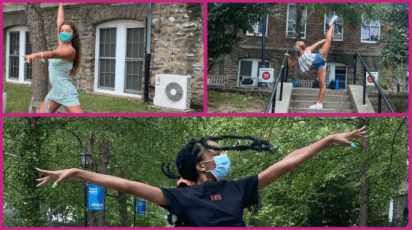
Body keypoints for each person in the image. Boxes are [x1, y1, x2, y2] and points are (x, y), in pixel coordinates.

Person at [36, 127, 367, 227]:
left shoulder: (238, 189)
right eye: (215, 151)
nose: (222, 154)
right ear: (202, 166)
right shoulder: (182, 197)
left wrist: (325, 140)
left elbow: (288, 162)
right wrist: (78, 172)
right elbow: (125, 185)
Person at [23, 3, 83, 113]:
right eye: (61, 31)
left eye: (68, 31)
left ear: (73, 35)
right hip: (55, 91)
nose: (63, 33)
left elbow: (53, 54)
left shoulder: (70, 50)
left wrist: (36, 54)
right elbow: (59, 21)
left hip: (66, 92)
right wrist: (60, 3)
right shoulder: (61, 44)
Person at [285, 15, 340, 109]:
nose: (295, 46)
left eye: (296, 45)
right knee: (321, 84)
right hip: (319, 66)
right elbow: (289, 64)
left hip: (320, 57)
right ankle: (319, 104)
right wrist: (289, 57)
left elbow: (317, 43)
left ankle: (332, 25)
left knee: (329, 39)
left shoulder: (307, 49)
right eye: (295, 45)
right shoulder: (297, 58)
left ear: (300, 47)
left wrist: (324, 41)